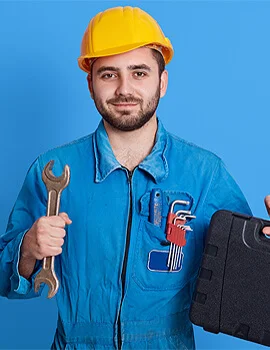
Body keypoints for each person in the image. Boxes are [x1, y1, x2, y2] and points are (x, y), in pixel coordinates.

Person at [0, 6, 269, 350]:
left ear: (163, 81)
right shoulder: (51, 168)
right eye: (109, 74)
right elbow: (4, 279)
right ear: (90, 83)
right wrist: (27, 249)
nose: (124, 89)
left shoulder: (205, 174)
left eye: (139, 72)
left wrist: (267, 255)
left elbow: (243, 290)